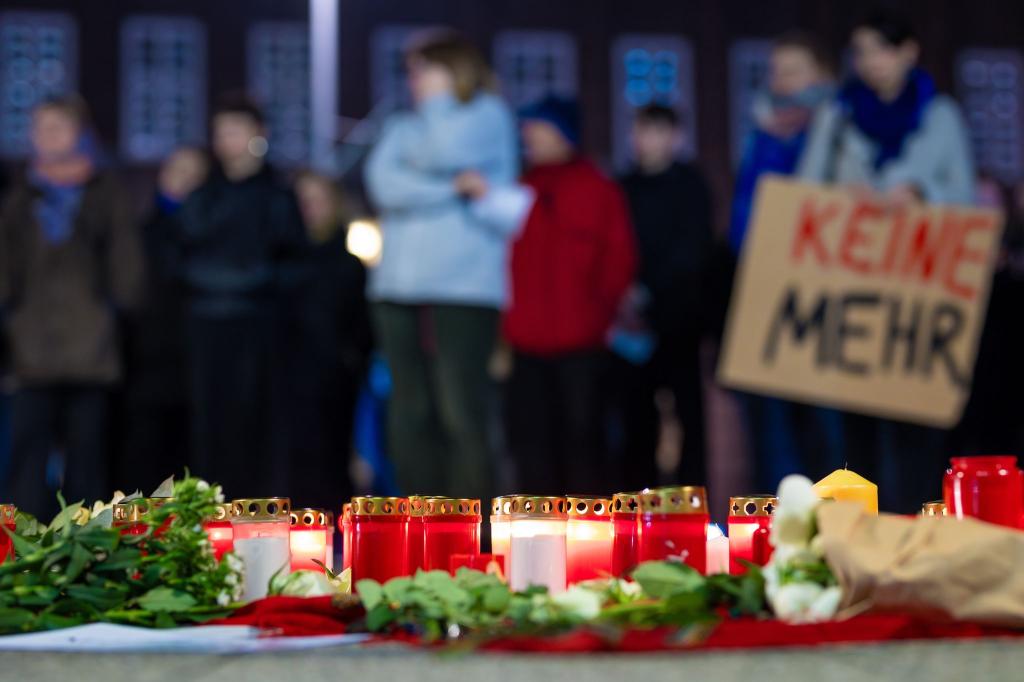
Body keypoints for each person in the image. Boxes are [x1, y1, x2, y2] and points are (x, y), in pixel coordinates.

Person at [798, 9, 975, 511]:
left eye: (880, 49)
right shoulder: (837, 118)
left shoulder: (940, 117)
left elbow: (965, 201)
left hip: (915, 303)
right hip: (854, 297)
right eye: (861, 51)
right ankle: (860, 544)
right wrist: (844, 201)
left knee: (916, 435)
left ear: (908, 52)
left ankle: (918, 537)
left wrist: (920, 193)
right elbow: (807, 194)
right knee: (854, 438)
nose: (870, 62)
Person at [364, 32, 518, 500]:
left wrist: (420, 177)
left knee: (460, 410)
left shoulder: (488, 115)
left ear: (454, 70)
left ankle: (469, 527)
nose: (411, 80)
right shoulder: (402, 126)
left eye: (421, 68)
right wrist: (451, 189)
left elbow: (438, 153)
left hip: (465, 289)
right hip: (397, 287)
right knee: (409, 410)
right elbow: (383, 185)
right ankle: (417, 521)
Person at [0, 95, 143, 518]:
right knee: (27, 453)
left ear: (79, 132)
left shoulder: (104, 192)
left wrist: (116, 311)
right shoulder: (21, 195)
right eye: (40, 127)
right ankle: (22, 545)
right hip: (31, 346)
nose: (47, 136)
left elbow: (127, 265)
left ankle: (88, 546)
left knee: (87, 458)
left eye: (57, 127)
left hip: (90, 347)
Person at [485, 96, 637, 494]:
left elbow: (619, 258)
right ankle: (537, 533)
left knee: (584, 441)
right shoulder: (517, 190)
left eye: (538, 128)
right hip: (526, 343)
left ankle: (588, 536)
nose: (529, 136)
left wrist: (597, 314)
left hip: (582, 342)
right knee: (531, 442)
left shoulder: (598, 189)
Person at [727, 33, 843, 493]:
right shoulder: (763, 134)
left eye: (793, 70)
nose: (782, 81)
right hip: (771, 294)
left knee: (827, 427)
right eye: (776, 71)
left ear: (821, 76)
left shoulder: (841, 129)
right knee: (773, 432)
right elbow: (747, 213)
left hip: (826, 298)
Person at [177, 95, 307, 499]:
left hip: (261, 331)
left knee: (260, 424)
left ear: (258, 135)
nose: (227, 141)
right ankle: (207, 511)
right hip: (207, 327)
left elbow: (295, 262)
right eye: (221, 132)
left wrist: (252, 281)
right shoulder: (202, 195)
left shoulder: (278, 196)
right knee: (209, 425)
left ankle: (260, 514)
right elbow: (177, 254)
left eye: (235, 130)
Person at [611, 104, 713, 490]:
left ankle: (691, 498)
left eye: (655, 131)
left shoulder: (690, 186)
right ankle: (639, 499)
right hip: (631, 323)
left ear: (674, 136)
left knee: (688, 413)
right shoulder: (623, 187)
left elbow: (693, 250)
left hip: (679, 320)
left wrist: (649, 288)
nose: (645, 140)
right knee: (636, 416)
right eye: (640, 131)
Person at [118, 147, 209, 492]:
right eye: (177, 171)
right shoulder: (139, 234)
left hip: (196, 365)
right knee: (144, 457)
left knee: (190, 463)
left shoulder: (210, 238)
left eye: (194, 174)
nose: (184, 181)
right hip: (146, 364)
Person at [284, 171, 371, 509]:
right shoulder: (281, 263)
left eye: (318, 201)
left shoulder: (349, 266)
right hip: (287, 379)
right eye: (303, 202)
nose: (310, 210)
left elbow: (362, 328)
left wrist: (348, 360)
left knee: (331, 458)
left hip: (334, 382)